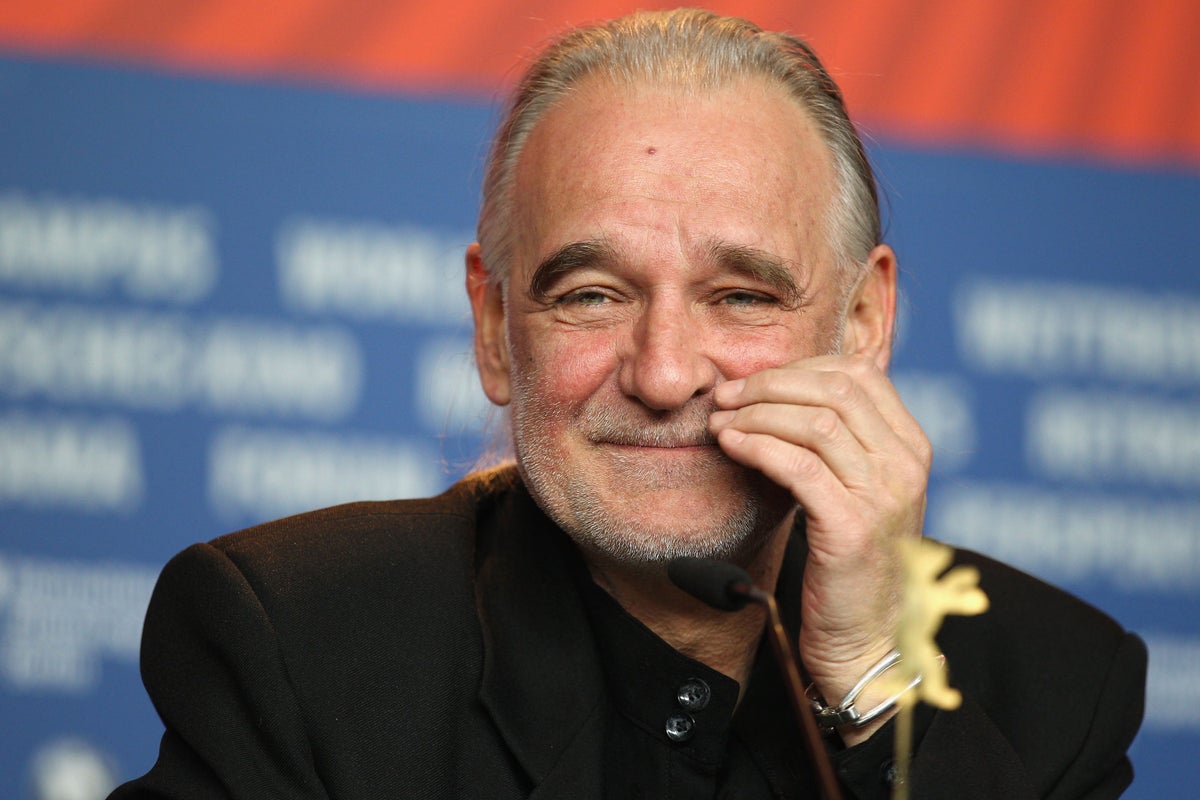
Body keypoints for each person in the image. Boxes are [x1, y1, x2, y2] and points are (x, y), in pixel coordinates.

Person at [110, 9, 1146, 799]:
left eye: (741, 297)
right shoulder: (299, 641)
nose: (661, 375)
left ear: (865, 321)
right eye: (592, 295)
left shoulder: (1054, 684)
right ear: (493, 327)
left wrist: (875, 687)